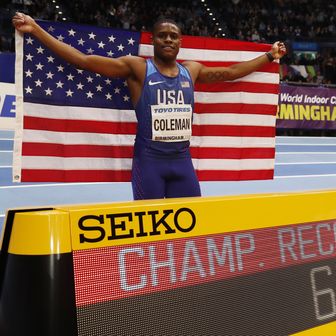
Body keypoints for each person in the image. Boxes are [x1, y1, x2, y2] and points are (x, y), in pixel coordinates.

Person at [12, 13, 287, 200]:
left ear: (181, 42)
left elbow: (231, 72)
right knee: (151, 229)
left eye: (174, 36)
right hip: (149, 162)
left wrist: (269, 56)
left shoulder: (191, 70)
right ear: (153, 40)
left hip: (182, 162)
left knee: (192, 223)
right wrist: (36, 29)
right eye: (162, 35)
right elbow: (83, 61)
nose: (168, 39)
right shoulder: (139, 68)